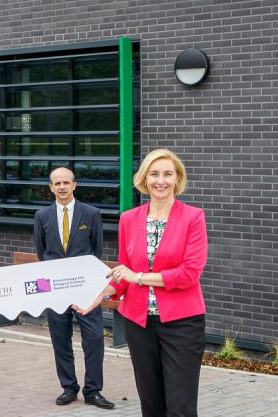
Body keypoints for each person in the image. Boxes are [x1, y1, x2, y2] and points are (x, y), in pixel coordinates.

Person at [75, 149, 207, 417]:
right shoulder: (129, 219)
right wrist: (99, 295)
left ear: (177, 178)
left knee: (180, 406)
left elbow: (189, 274)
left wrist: (140, 278)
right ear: (144, 179)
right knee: (151, 403)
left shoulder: (193, 217)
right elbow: (124, 274)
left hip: (182, 324)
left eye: (168, 174)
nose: (161, 181)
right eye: (154, 174)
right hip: (139, 323)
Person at [33, 167, 114, 409]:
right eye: (57, 183)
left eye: (66, 182)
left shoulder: (91, 214)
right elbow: (42, 252)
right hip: (56, 289)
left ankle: (93, 390)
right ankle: (69, 387)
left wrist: (84, 279)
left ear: (74, 185)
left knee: (94, 339)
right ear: (50, 187)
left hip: (86, 289)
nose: (62, 187)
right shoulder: (42, 216)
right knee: (60, 339)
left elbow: (96, 250)